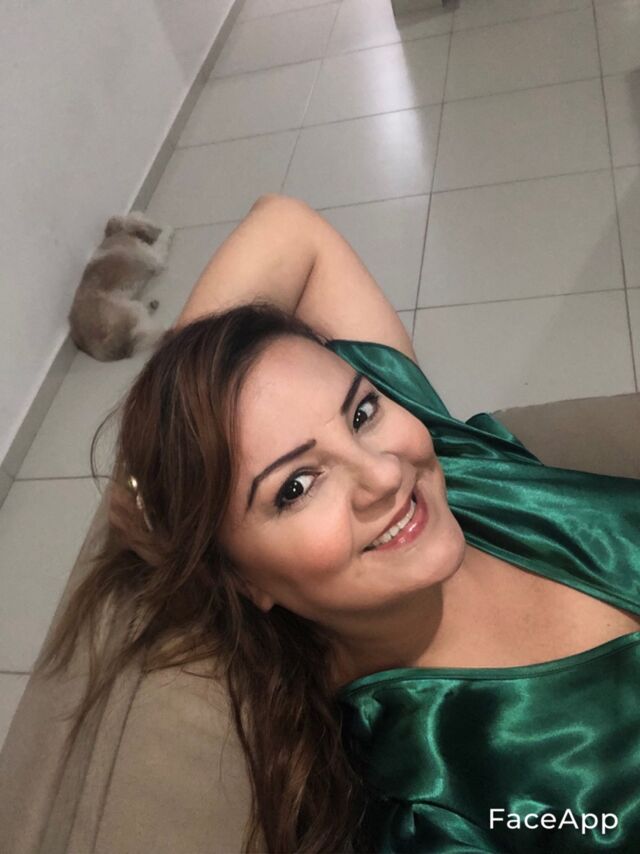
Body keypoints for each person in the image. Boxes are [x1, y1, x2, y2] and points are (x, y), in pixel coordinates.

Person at [38, 194, 640, 853]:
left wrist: (156, 446)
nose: (383, 474)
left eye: (360, 413)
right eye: (296, 487)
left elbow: (287, 227)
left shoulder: (444, 460)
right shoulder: (443, 807)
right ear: (241, 578)